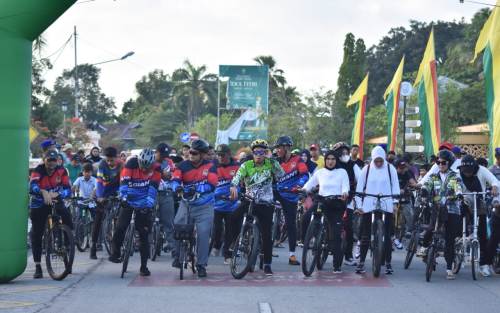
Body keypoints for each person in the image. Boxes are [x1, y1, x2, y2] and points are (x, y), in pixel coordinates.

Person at [230, 139, 285, 275]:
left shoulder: (271, 164)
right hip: (249, 200)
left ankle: (267, 264)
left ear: (266, 153)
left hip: (266, 203)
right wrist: (233, 186)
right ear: (253, 153)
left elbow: (281, 175)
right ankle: (238, 242)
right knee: (233, 217)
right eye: (256, 152)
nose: (259, 154)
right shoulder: (246, 165)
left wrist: (274, 162)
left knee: (266, 235)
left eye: (262, 152)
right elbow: (236, 178)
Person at [108, 148, 161, 276]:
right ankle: (116, 253)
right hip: (129, 199)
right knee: (120, 227)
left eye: (147, 167)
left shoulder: (156, 169)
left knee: (143, 234)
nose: (144, 169)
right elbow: (124, 183)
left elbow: (153, 189)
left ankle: (144, 267)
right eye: (142, 165)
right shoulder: (131, 164)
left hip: (144, 201)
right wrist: (124, 198)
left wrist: (148, 204)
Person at [171, 140, 218, 278]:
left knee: (203, 234)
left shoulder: (210, 166)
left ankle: (201, 265)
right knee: (177, 226)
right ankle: (178, 257)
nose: (191, 154)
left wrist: (196, 189)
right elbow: (175, 180)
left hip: (205, 206)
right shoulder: (182, 165)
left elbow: (212, 184)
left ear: (202, 155)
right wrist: (177, 187)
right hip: (186, 204)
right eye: (190, 151)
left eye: (194, 153)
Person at [354, 146, 400, 275]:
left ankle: (388, 263)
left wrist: (395, 203)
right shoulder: (366, 169)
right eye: (376, 161)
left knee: (387, 234)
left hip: (387, 203)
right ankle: (361, 262)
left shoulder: (391, 169)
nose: (379, 163)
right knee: (365, 235)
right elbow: (359, 189)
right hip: (369, 203)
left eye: (381, 161)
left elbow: (395, 185)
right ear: (373, 159)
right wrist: (359, 205)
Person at [302, 150, 350, 273]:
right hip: (322, 201)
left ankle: (337, 265)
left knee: (336, 235)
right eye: (328, 159)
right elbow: (310, 183)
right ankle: (310, 239)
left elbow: (345, 186)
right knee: (306, 217)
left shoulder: (342, 172)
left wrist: (345, 192)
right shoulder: (320, 172)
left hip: (336, 204)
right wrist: (303, 190)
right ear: (325, 160)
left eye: (333, 159)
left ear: (336, 160)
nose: (330, 161)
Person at [419, 150, 463, 280]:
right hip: (437, 208)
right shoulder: (434, 176)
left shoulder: (455, 176)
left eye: (443, 162)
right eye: (438, 162)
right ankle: (425, 247)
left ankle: (449, 268)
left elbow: (458, 186)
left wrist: (458, 193)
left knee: (449, 239)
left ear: (449, 163)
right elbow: (427, 185)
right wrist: (424, 191)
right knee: (431, 228)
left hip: (452, 210)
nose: (440, 165)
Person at [29, 150, 73, 279]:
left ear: (57, 161)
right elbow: (32, 186)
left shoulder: (62, 171)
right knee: (37, 234)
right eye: (49, 160)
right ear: (44, 160)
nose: (52, 163)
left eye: (54, 160)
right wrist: (42, 191)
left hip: (55, 200)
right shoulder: (38, 170)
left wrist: (59, 194)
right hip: (39, 203)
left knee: (67, 218)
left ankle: (67, 243)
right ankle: (38, 266)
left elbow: (68, 189)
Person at [458, 155, 499, 277]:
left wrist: (495, 187)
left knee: (482, 233)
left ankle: (483, 264)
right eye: (466, 171)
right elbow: (453, 183)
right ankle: (459, 240)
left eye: (470, 171)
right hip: (464, 199)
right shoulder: (457, 173)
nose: (468, 174)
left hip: (479, 200)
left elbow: (494, 180)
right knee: (456, 219)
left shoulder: (481, 170)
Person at [275, 136, 309, 265]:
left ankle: (292, 255)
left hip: (290, 195)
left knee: (291, 224)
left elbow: (304, 174)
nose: (277, 150)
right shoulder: (275, 161)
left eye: (279, 147)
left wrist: (299, 185)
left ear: (286, 148)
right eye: (277, 148)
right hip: (277, 192)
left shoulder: (298, 160)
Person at [91, 147, 122, 259]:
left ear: (116, 157)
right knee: (98, 218)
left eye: (111, 160)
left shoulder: (121, 165)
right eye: (107, 160)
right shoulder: (102, 165)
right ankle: (93, 246)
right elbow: (99, 182)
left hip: (117, 190)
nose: (109, 162)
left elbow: (124, 182)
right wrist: (100, 196)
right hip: (104, 190)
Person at [212, 144, 240, 264]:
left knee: (230, 230)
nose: (220, 157)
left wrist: (237, 192)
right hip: (216, 203)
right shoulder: (213, 166)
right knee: (216, 229)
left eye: (222, 155)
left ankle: (227, 255)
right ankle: (217, 244)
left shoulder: (237, 166)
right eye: (218, 155)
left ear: (229, 154)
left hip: (231, 204)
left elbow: (242, 182)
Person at [155, 143, 176, 253]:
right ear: (156, 152)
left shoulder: (169, 162)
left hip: (166, 193)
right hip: (151, 193)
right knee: (148, 220)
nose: (164, 156)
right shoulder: (150, 160)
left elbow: (171, 175)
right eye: (162, 154)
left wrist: (168, 174)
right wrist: (160, 173)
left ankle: (172, 247)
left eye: (166, 154)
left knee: (168, 221)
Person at [394, 158, 418, 248]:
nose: (403, 169)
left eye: (404, 167)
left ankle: (409, 230)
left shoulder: (407, 173)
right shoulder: (393, 174)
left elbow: (412, 182)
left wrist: (417, 185)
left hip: (405, 197)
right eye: (401, 168)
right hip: (393, 198)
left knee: (410, 213)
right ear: (396, 168)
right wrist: (396, 190)